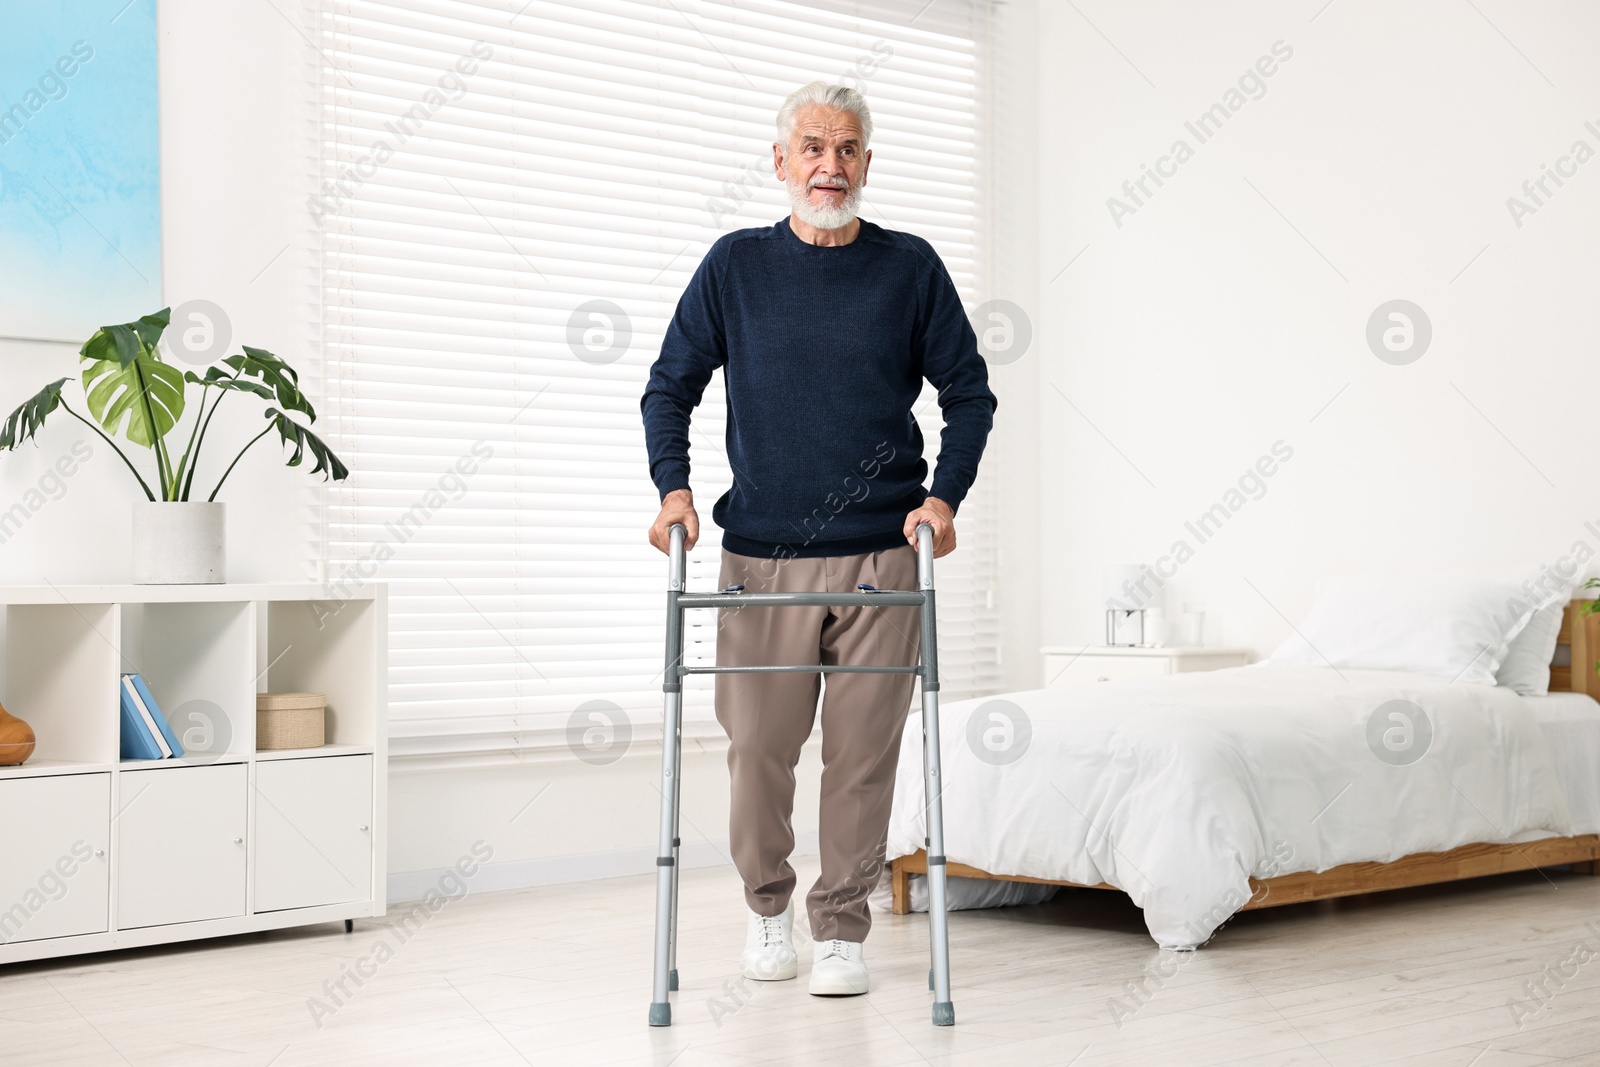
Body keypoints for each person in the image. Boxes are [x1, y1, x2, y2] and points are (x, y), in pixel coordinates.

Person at [640, 81, 996, 996]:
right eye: (811, 147)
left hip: (883, 551)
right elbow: (669, 384)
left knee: (862, 754)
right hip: (761, 554)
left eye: (846, 150)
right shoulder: (736, 266)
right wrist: (674, 492)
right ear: (780, 161)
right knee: (758, 748)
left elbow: (968, 393)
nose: (828, 166)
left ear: (867, 164)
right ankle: (767, 915)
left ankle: (840, 928)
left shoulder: (909, 268)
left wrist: (944, 499)